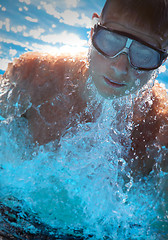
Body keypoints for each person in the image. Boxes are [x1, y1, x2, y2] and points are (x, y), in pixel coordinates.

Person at [1, 0, 168, 175]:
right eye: (111, 41)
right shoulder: (31, 77)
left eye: (143, 54)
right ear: (92, 31)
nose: (120, 68)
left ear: (162, 60)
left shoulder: (161, 134)